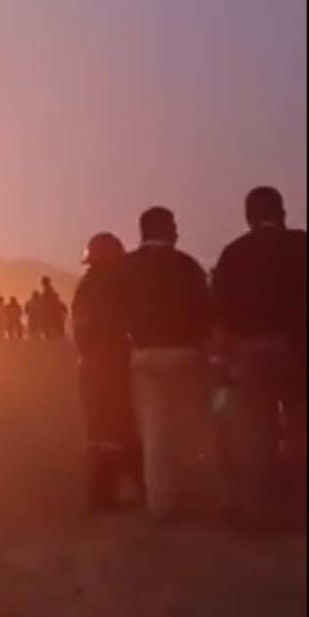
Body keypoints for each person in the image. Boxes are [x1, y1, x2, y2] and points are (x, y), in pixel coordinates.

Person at [212, 187, 307, 530]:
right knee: (301, 429)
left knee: (256, 433)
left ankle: (259, 512)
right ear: (282, 212)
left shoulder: (233, 253)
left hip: (250, 350)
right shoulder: (302, 244)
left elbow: (219, 307)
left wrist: (226, 353)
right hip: (299, 350)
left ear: (249, 216)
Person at [123, 206, 220, 522]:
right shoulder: (187, 265)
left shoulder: (125, 267)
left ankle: (162, 503)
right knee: (189, 425)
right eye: (173, 226)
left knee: (155, 431)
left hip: (143, 354)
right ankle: (198, 493)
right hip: (185, 353)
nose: (177, 232)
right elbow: (207, 309)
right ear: (165, 230)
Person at [72, 232, 143, 512]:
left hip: (89, 364)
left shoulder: (85, 286)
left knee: (103, 428)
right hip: (112, 362)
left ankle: (126, 483)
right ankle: (108, 492)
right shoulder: (117, 284)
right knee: (116, 427)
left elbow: (79, 329)